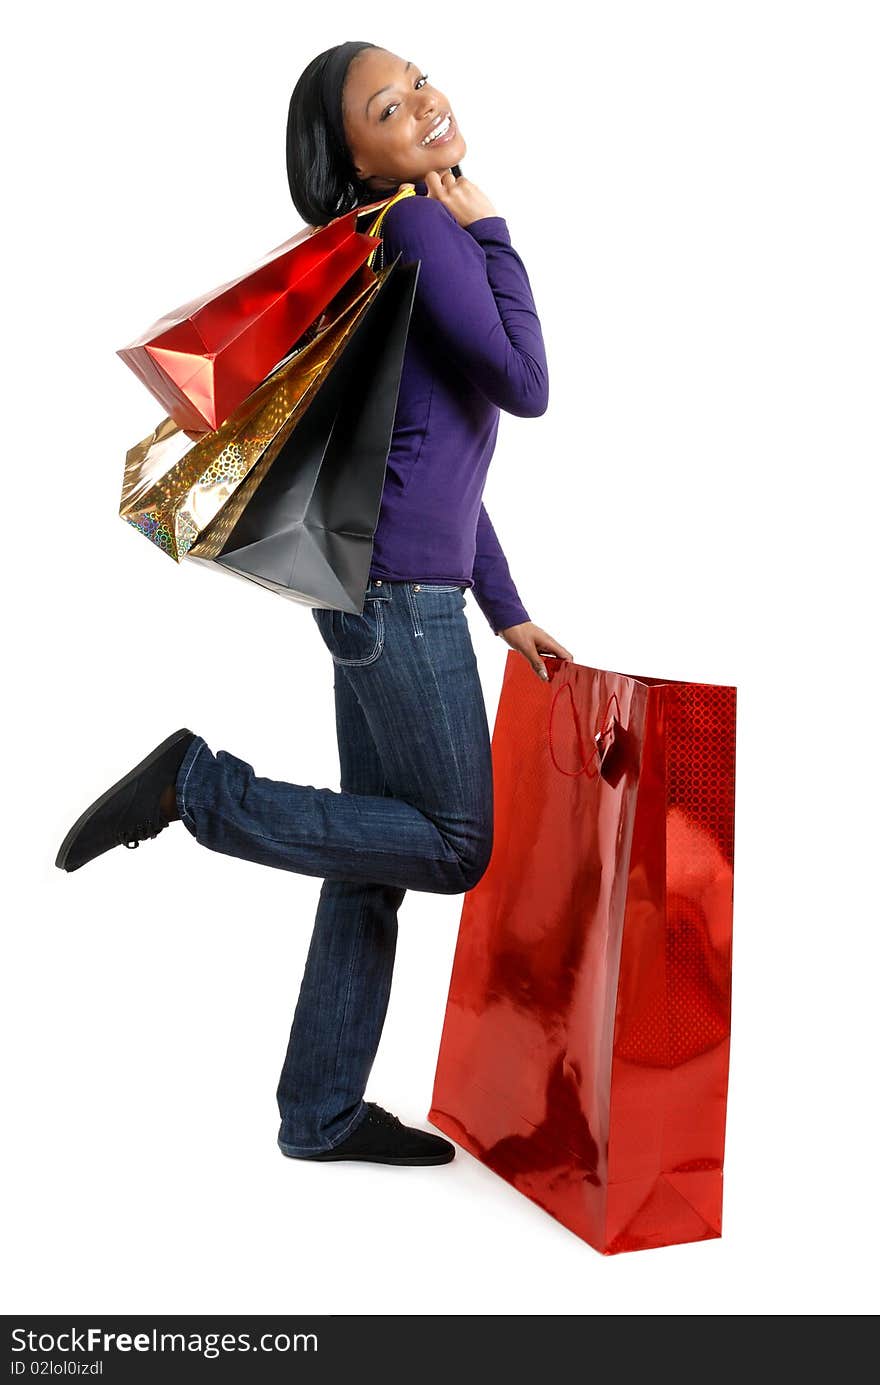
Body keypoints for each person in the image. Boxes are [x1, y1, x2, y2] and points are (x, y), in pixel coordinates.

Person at [55, 41, 573, 1168]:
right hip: (398, 593)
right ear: (355, 154)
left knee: (373, 857)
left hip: (383, 584)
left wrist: (506, 605)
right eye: (389, 107)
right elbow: (523, 389)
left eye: (419, 78)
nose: (424, 102)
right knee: (453, 843)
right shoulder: (427, 229)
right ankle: (200, 788)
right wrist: (494, 235)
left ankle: (321, 1111)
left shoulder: (385, 239)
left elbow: (429, 453)